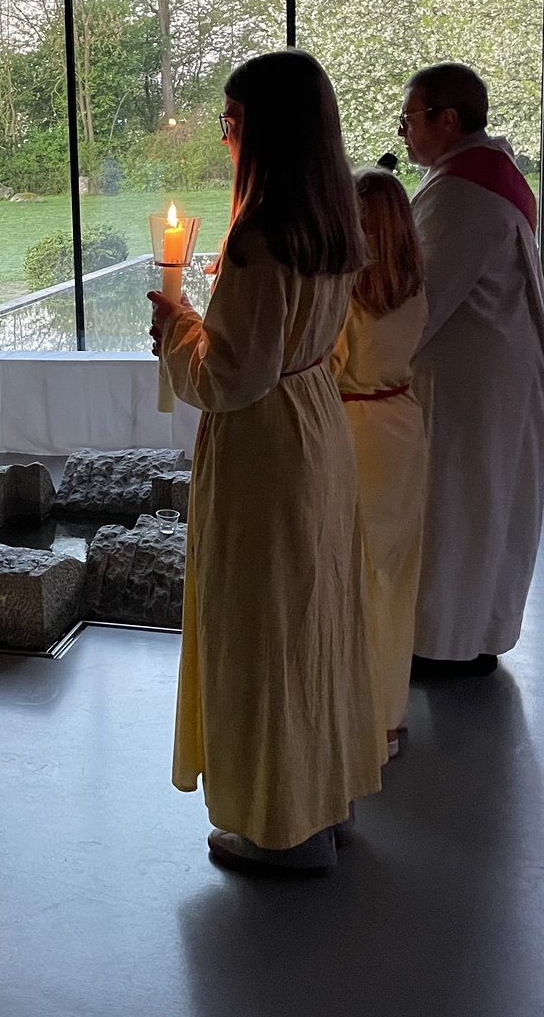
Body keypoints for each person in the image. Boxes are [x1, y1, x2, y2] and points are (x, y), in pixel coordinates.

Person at [149, 51, 381, 874]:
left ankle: (279, 827)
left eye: (233, 121)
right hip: (315, 426)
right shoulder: (328, 223)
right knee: (316, 618)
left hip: (263, 450)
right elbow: (287, 342)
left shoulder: (257, 238)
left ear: (269, 131)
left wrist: (178, 327)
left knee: (261, 628)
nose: (225, 137)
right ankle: (324, 797)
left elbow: (229, 377)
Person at [399, 62, 544, 677]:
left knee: (455, 507)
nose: (403, 131)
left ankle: (442, 645)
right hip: (491, 374)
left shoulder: (461, 191)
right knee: (489, 504)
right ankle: (478, 632)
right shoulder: (487, 173)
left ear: (448, 119)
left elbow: (420, 302)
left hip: (467, 387)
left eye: (410, 119)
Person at [331, 170, 428, 758]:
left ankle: (362, 721)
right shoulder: (414, 289)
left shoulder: (346, 296)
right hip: (405, 427)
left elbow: (328, 367)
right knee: (397, 575)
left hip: (356, 430)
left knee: (358, 577)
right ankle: (391, 711)